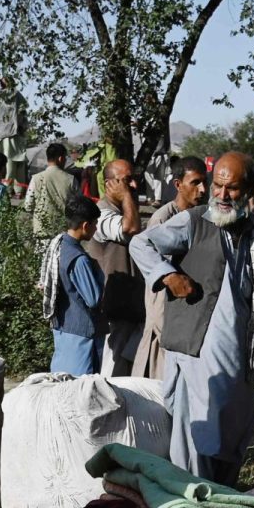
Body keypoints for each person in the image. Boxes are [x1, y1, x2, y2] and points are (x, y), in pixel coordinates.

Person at [129, 151, 254, 482]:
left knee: (237, 425)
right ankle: (194, 504)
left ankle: (221, 499)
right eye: (218, 186)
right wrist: (168, 276)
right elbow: (140, 244)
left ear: (251, 189)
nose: (223, 196)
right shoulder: (194, 221)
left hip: (242, 354)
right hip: (200, 349)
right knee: (200, 431)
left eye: (233, 188)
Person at [128, 154, 205, 379]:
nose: (202, 190)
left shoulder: (201, 217)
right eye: (195, 183)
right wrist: (161, 324)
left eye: (205, 183)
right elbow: (155, 271)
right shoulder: (163, 219)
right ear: (178, 185)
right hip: (165, 317)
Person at [89, 156, 145, 375]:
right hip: (113, 313)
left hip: (129, 310)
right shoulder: (101, 214)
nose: (134, 185)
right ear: (109, 183)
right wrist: (126, 198)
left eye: (134, 179)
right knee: (110, 377)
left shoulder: (123, 210)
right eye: (127, 180)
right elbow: (129, 228)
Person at [44, 196, 106, 375]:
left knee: (61, 382)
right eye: (95, 224)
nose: (95, 229)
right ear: (85, 225)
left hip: (62, 326)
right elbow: (93, 299)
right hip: (81, 331)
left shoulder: (58, 245)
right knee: (80, 388)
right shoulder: (79, 259)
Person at [25, 140, 76, 238]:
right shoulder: (71, 179)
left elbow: (28, 205)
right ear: (60, 158)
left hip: (41, 232)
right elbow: (78, 206)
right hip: (63, 233)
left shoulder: (35, 179)